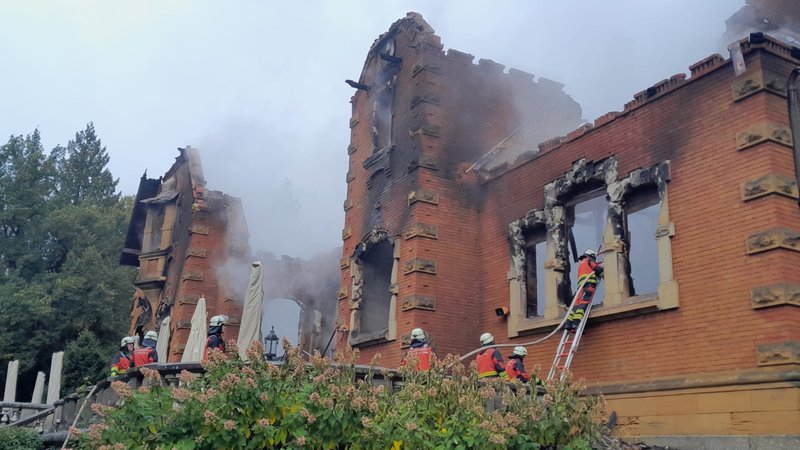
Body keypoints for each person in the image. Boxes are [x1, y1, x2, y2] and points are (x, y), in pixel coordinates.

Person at [565, 249, 604, 331]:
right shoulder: (589, 260)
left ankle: (569, 323)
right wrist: (605, 274)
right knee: (584, 303)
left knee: (576, 304)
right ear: (592, 256)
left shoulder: (581, 264)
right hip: (589, 284)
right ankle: (576, 323)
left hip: (580, 287)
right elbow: (597, 269)